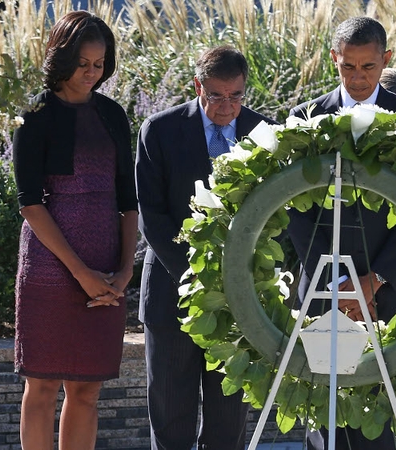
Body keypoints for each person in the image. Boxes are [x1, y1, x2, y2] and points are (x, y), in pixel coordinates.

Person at [288, 16, 396, 450]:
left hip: (388, 290)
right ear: (334, 58)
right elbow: (295, 211)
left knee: (383, 414)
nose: (357, 77)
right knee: (327, 413)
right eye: (347, 66)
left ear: (385, 59)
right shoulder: (305, 117)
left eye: (368, 67)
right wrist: (335, 285)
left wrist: (373, 280)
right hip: (325, 289)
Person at [135, 45, 278, 450]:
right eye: (216, 96)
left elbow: (279, 215)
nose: (227, 106)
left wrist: (243, 275)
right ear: (197, 86)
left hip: (242, 302)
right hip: (172, 294)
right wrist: (200, 274)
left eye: (236, 96)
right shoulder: (159, 130)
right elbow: (152, 217)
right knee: (171, 420)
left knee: (227, 424)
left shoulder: (265, 132)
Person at [12, 11, 138, 450]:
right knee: (42, 387)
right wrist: (81, 273)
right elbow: (30, 203)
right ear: (61, 58)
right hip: (50, 269)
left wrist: (124, 272)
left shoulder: (112, 115)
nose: (92, 73)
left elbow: (128, 201)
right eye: (83, 63)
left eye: (100, 64)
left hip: (105, 267)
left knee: (86, 390)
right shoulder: (35, 114)